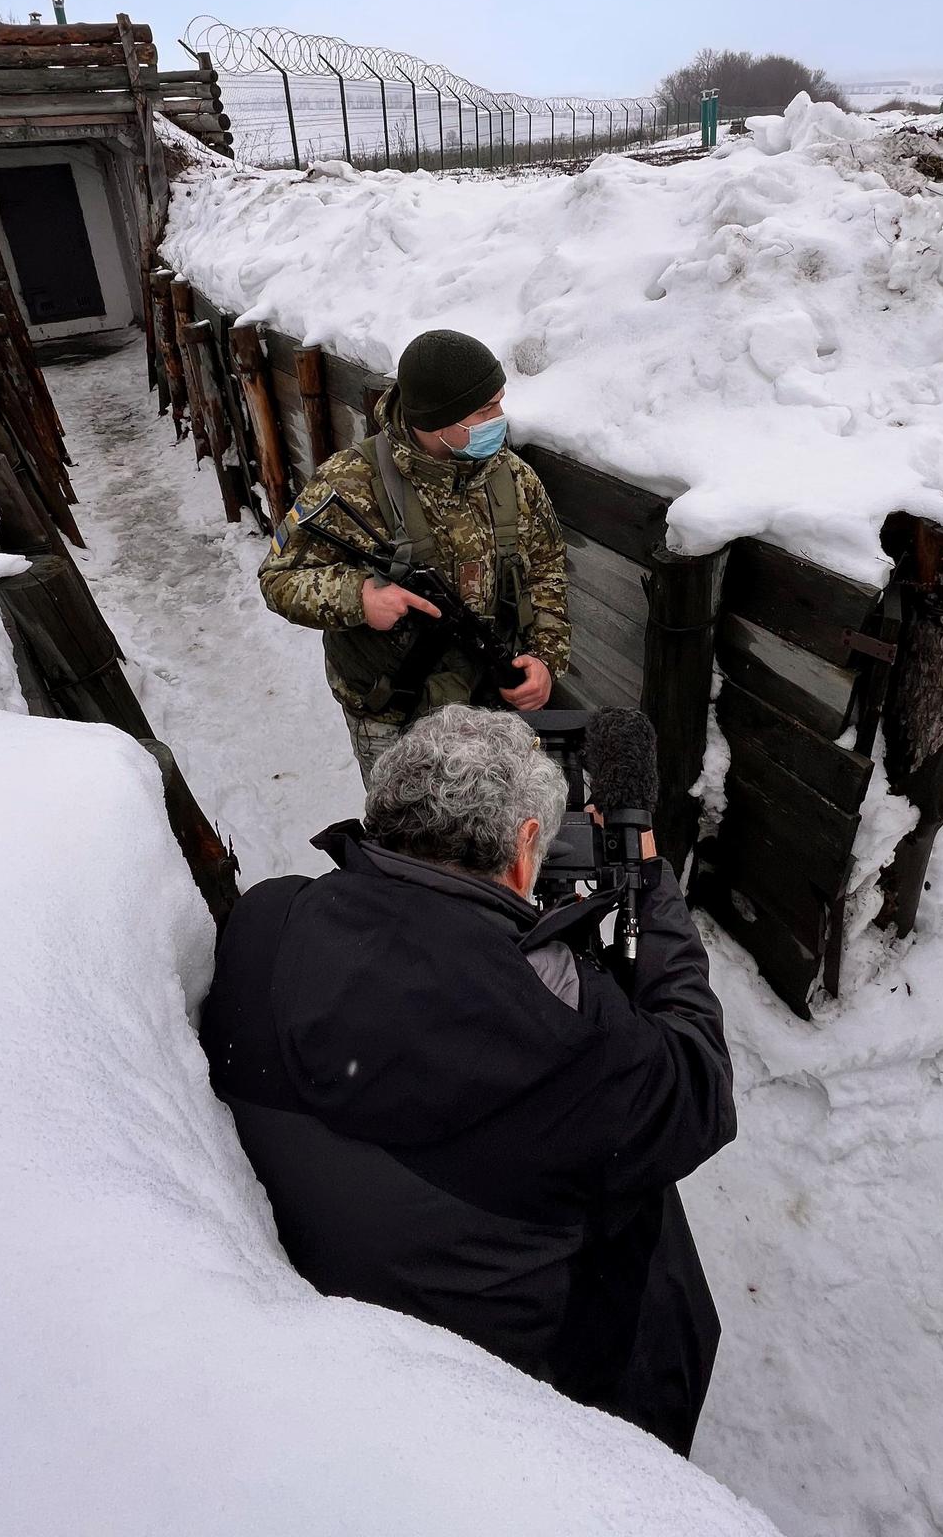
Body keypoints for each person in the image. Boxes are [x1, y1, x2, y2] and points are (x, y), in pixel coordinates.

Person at [200, 706, 736, 1455]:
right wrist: (643, 876)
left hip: (322, 1308)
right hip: (500, 1397)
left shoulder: (266, 921)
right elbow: (700, 1088)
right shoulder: (576, 1043)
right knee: (643, 1201)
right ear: (526, 848)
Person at [258, 328, 570, 784]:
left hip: (489, 703)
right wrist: (359, 597)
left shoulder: (513, 480)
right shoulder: (351, 481)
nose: (499, 418)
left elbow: (547, 575)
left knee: (491, 832)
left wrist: (545, 659)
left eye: (499, 402)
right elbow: (279, 577)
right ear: (437, 420)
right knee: (406, 838)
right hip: (391, 713)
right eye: (485, 410)